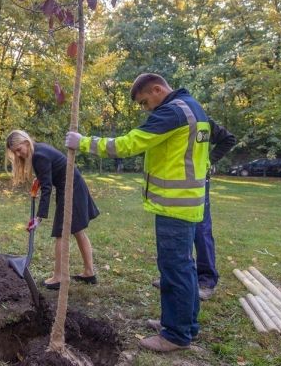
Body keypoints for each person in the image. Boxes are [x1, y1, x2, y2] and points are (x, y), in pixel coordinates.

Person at [65, 73, 210, 352]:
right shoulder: (192, 106)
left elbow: (127, 145)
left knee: (175, 269)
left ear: (158, 90)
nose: (146, 109)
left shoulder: (172, 112)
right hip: (188, 201)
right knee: (184, 267)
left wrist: (82, 141)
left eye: (145, 102)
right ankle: (184, 324)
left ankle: (176, 335)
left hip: (175, 203)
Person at [152, 119, 236, 300]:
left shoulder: (202, 121)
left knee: (201, 229)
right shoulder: (169, 119)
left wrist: (208, 160)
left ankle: (206, 280)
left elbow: (228, 139)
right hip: (176, 185)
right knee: (179, 232)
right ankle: (175, 278)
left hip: (197, 183)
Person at [5, 130, 99, 289]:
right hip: (72, 186)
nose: (19, 155)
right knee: (77, 231)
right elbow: (48, 176)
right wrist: (40, 180)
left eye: (19, 149)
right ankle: (89, 272)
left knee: (61, 233)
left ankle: (59, 277)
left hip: (71, 189)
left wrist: (39, 218)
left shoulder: (39, 155)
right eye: (15, 152)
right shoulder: (39, 150)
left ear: (26, 143)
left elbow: (47, 188)